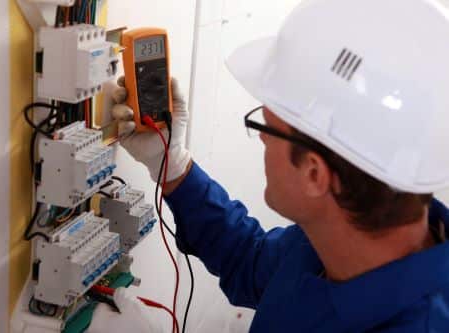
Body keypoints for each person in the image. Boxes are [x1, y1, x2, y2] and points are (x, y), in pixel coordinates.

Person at [93, 0, 449, 331]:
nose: (261, 139)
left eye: (264, 126)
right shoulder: (335, 236)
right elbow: (250, 260)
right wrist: (172, 166)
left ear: (314, 173)